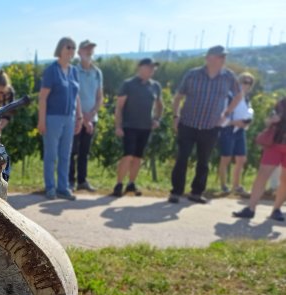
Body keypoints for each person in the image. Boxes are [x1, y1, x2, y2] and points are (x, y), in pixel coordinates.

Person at [168, 45, 243, 204]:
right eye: (220, 56)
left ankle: (196, 193)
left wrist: (226, 113)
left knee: (204, 161)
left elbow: (238, 96)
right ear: (209, 58)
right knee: (182, 158)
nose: (223, 59)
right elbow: (178, 97)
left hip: (211, 126)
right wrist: (175, 116)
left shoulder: (229, 76)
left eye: (224, 56)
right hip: (187, 123)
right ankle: (176, 192)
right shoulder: (192, 74)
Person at [38, 37, 83, 200]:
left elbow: (77, 96)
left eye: (73, 48)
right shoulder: (51, 70)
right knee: (51, 155)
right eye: (68, 47)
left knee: (66, 154)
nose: (71, 50)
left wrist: (79, 116)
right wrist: (41, 120)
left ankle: (63, 187)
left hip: (69, 118)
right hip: (52, 118)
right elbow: (42, 98)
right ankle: (50, 187)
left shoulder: (75, 71)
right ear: (60, 49)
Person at [112, 58, 164, 197]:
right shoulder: (128, 84)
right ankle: (118, 184)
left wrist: (157, 119)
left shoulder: (155, 86)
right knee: (127, 155)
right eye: (149, 67)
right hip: (129, 126)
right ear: (140, 67)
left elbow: (160, 105)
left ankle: (131, 184)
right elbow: (119, 107)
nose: (152, 70)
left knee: (137, 157)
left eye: (154, 68)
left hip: (146, 127)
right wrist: (118, 126)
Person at [232, 98, 286, 221]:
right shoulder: (281, 103)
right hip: (275, 144)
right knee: (262, 176)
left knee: (285, 180)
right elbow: (267, 121)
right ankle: (250, 208)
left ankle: (276, 209)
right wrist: (272, 120)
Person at [70, 40, 103, 192]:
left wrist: (91, 115)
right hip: (76, 118)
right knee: (72, 151)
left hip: (91, 119)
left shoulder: (97, 73)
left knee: (84, 152)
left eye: (91, 49)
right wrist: (82, 117)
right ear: (79, 52)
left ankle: (82, 181)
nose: (89, 52)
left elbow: (100, 97)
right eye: (86, 49)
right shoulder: (73, 71)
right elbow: (73, 95)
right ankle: (69, 182)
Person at [218, 72, 256, 195]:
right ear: (238, 82)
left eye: (249, 83)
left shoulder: (246, 98)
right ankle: (223, 185)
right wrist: (234, 122)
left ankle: (236, 185)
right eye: (244, 81)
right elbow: (222, 116)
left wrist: (245, 122)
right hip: (228, 129)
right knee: (226, 158)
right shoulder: (229, 96)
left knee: (241, 159)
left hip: (240, 130)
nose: (247, 85)